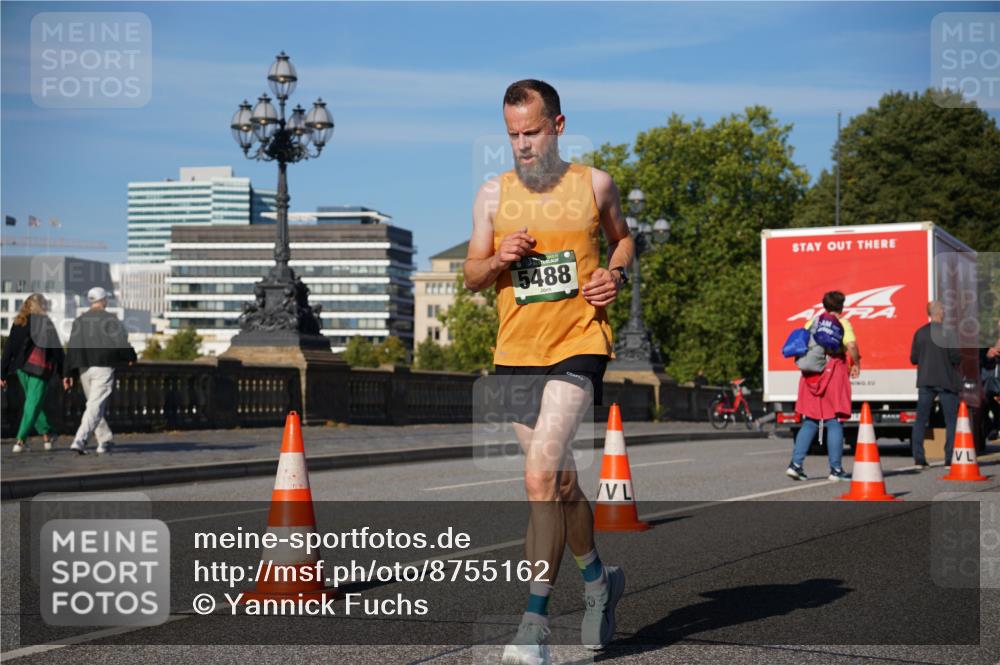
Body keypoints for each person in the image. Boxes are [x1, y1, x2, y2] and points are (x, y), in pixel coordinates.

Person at [463, 79, 635, 664]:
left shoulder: (595, 184)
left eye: (532, 132)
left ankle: (533, 626)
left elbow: (623, 240)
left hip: (579, 343)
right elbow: (472, 276)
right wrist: (498, 258)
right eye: (513, 134)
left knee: (537, 477)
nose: (522, 144)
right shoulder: (492, 194)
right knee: (559, 485)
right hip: (515, 353)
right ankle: (598, 582)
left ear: (557, 126)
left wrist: (615, 274)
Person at [785, 291, 860, 482]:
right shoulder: (842, 323)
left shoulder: (812, 322)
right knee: (834, 421)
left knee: (811, 420)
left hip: (811, 375)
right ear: (841, 307)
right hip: (832, 374)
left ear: (824, 305)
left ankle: (795, 465)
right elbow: (851, 345)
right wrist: (856, 363)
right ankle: (836, 469)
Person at [64, 287, 137, 455]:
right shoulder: (110, 319)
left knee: (93, 405)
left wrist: (67, 373)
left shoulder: (79, 321)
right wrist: (131, 356)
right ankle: (80, 439)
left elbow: (72, 349)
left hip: (83, 368)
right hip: (103, 367)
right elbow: (121, 342)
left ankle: (105, 440)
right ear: (104, 300)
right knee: (95, 406)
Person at [0, 293, 67, 453]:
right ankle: (20, 440)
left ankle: (47, 435)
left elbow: (9, 349)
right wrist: (64, 373)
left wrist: (2, 373)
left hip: (21, 369)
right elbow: (57, 351)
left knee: (34, 402)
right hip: (39, 369)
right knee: (33, 403)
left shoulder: (19, 322)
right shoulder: (46, 323)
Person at [908, 301, 963, 467]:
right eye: (943, 309)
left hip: (925, 381)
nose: (945, 312)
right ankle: (949, 458)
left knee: (920, 419)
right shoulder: (949, 333)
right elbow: (956, 358)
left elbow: (913, 359)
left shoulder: (920, 333)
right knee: (951, 421)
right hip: (946, 381)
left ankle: (919, 458)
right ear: (939, 312)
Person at [982, 318, 1000, 441]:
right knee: (985, 400)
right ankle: (991, 427)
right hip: (990, 377)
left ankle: (995, 426)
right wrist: (989, 353)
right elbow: (982, 355)